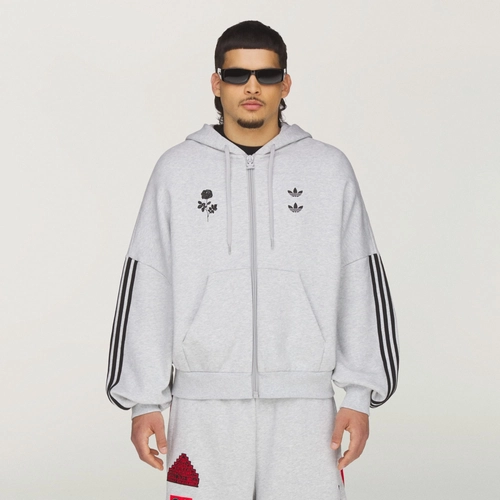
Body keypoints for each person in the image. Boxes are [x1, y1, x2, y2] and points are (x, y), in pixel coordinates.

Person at [105, 19, 399, 500]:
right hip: (201, 409)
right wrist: (143, 401)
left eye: (266, 74)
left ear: (285, 83)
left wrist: (360, 394)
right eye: (238, 75)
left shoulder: (328, 170)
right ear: (216, 83)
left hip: (306, 411)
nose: (252, 87)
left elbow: (359, 281)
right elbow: (149, 284)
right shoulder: (176, 171)